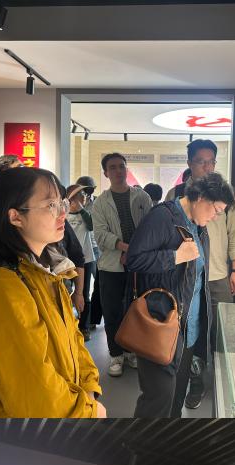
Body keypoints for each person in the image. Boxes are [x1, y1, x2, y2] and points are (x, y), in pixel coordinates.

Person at [0, 166, 104, 417]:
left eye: (62, 203)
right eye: (50, 205)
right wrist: (89, 412)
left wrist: (89, 390)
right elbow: (34, 394)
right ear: (15, 217)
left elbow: (74, 338)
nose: (63, 213)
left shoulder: (46, 270)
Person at [125, 173, 234, 418]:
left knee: (176, 397)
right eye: (216, 210)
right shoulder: (163, 217)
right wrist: (174, 256)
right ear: (201, 197)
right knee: (158, 399)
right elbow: (133, 259)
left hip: (187, 328)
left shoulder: (198, 226)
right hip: (161, 325)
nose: (216, 217)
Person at [165, 140, 235, 409]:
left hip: (218, 276)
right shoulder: (176, 194)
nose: (207, 167)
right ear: (189, 163)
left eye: (211, 161)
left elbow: (234, 234)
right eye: (201, 161)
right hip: (186, 278)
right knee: (191, 335)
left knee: (224, 333)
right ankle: (195, 383)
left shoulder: (226, 195)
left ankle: (224, 383)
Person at [91, 152, 153, 378]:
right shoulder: (100, 202)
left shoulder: (142, 197)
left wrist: (135, 252)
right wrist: (125, 248)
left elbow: (149, 228)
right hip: (112, 266)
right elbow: (100, 235)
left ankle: (131, 351)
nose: (118, 171)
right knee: (113, 311)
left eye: (121, 166)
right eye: (113, 167)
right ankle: (116, 355)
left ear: (127, 169)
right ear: (106, 173)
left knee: (136, 310)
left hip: (139, 266)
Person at [66, 182, 97, 341]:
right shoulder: (64, 215)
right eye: (82, 195)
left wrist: (82, 210)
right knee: (65, 292)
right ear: (72, 198)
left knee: (84, 294)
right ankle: (67, 325)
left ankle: (84, 327)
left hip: (86, 260)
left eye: (85, 195)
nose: (85, 197)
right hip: (65, 262)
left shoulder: (85, 215)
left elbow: (92, 226)